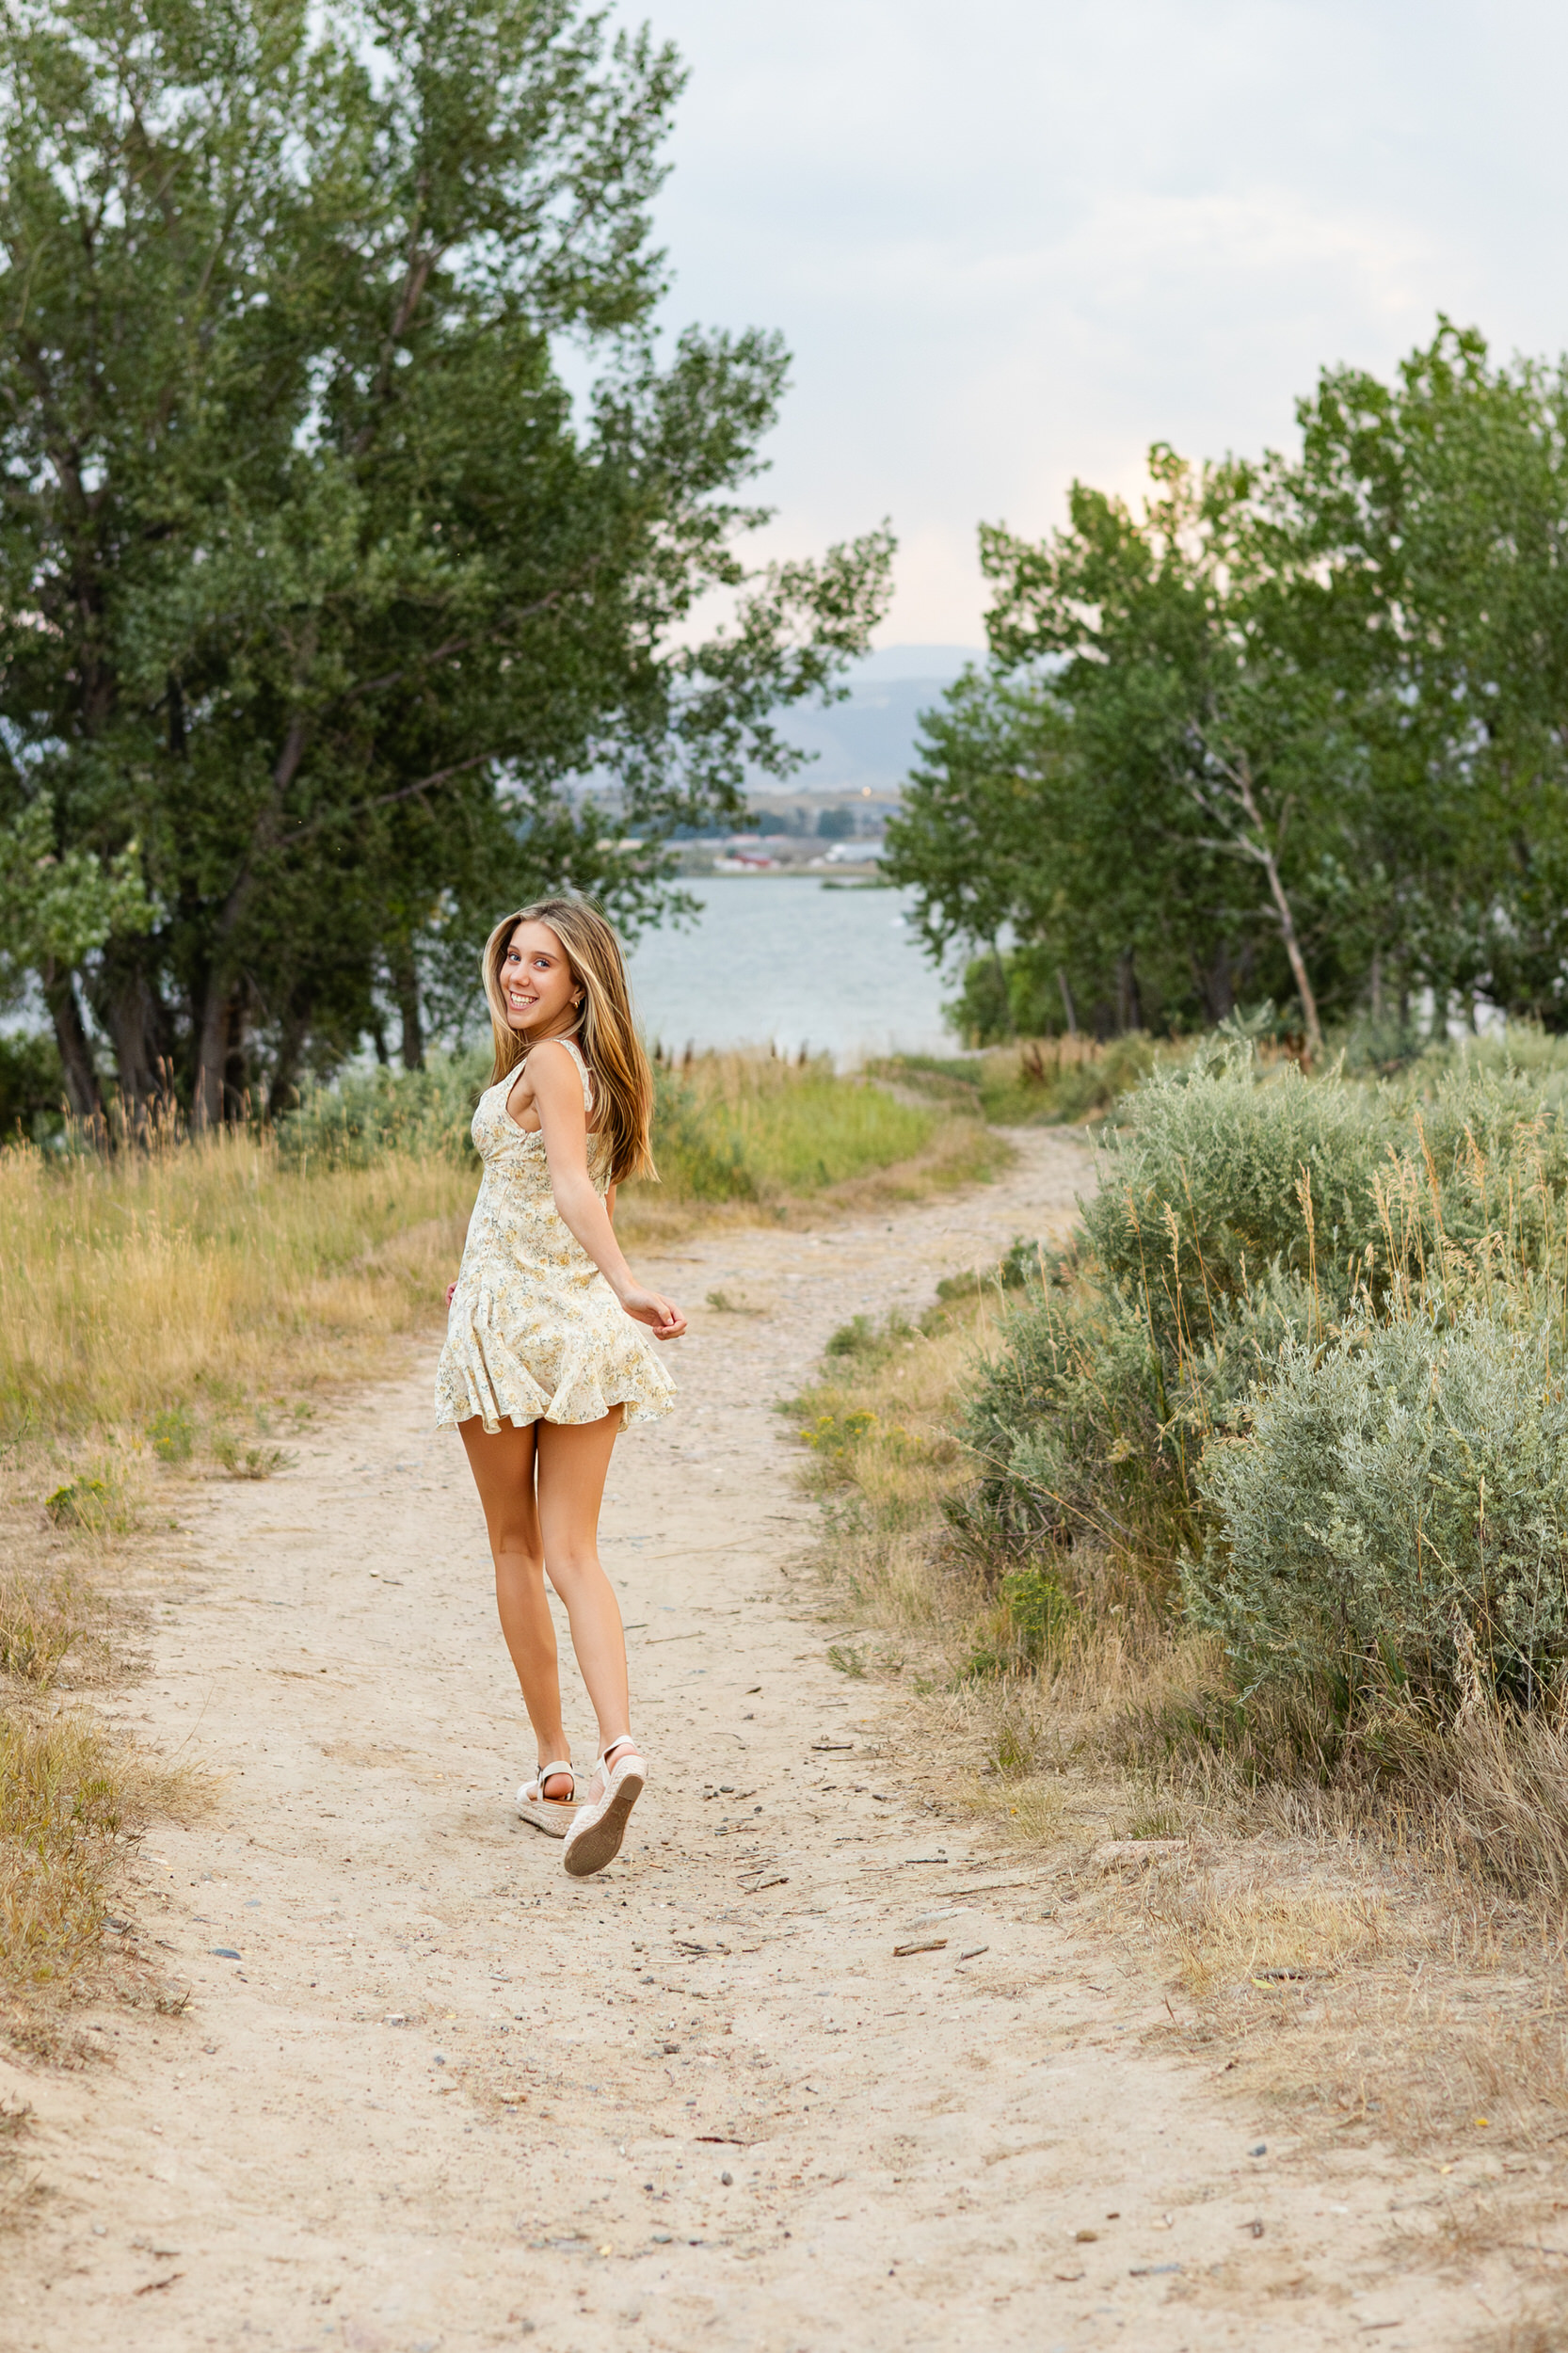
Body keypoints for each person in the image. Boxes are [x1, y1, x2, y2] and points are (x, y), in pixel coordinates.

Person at [435, 898, 684, 1877]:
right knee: (576, 1551)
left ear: (580, 983)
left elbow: (578, 1192)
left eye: (542, 963)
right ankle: (620, 1745)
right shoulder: (596, 1073)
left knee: (515, 1541)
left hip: (512, 1334)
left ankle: (554, 1772)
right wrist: (491, 1264)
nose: (518, 975)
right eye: (512, 958)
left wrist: (628, 1280)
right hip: (568, 1325)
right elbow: (555, 1193)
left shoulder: (545, 1061)